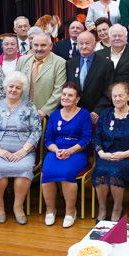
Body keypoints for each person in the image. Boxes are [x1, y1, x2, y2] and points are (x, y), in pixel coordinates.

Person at [0, 71, 41, 225]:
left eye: (18, 87)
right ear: (5, 87)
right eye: (11, 86)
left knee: (24, 167)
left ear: (23, 90)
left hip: (23, 150)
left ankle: (18, 206)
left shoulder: (30, 107)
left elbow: (36, 131)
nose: (14, 90)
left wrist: (23, 151)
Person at [92, 82, 129, 221]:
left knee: (115, 172)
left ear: (128, 97)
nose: (117, 99)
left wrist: (126, 154)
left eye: (120, 95)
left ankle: (117, 208)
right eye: (114, 96)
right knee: (100, 171)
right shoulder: (105, 114)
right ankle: (103, 208)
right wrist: (101, 153)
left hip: (127, 156)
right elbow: (96, 138)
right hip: (106, 155)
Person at [40, 83, 92, 227]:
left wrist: (70, 151)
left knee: (67, 172)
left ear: (77, 99)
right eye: (64, 94)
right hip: (56, 151)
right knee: (48, 172)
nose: (66, 97)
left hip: (77, 152)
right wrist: (56, 150)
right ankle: (50, 210)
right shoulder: (55, 114)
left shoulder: (84, 114)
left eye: (70, 95)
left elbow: (87, 138)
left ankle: (70, 212)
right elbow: (48, 139)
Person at [65, 30, 114, 122]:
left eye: (87, 43)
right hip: (74, 112)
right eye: (81, 43)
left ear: (94, 44)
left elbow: (109, 90)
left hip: (96, 114)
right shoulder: (70, 63)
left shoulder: (106, 64)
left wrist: (97, 111)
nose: (84, 46)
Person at [16, 32, 67, 120]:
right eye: (36, 45)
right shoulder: (22, 60)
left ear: (50, 46)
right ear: (31, 45)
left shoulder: (60, 63)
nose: (39, 49)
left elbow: (59, 90)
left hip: (45, 116)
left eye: (43, 45)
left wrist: (45, 111)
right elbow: (15, 84)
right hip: (20, 112)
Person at [99, 24, 129, 112]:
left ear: (126, 38)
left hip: (128, 105)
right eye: (114, 36)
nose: (117, 38)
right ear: (109, 38)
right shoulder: (99, 55)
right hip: (103, 105)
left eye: (120, 35)